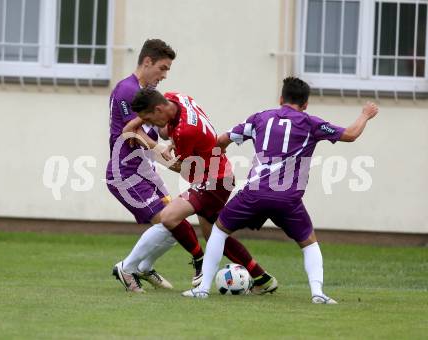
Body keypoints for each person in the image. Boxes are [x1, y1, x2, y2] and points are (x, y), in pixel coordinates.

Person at [181, 76, 379, 301]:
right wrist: (365, 114)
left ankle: (203, 288)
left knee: (219, 230)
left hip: (254, 194)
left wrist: (216, 152)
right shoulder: (311, 123)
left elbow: (221, 140)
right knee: (308, 242)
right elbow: (350, 134)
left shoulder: (259, 118)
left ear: (281, 98)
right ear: (305, 104)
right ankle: (318, 293)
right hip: (287, 199)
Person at [126, 89, 278, 294]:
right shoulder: (176, 97)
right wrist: (139, 127)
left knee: (169, 217)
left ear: (159, 108)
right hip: (217, 175)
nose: (148, 123)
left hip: (213, 180)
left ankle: (199, 261)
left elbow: (181, 167)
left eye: (148, 118)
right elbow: (173, 130)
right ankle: (262, 278)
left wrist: (151, 144)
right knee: (215, 235)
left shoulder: (184, 132)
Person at [107, 38, 201, 293]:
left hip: (145, 173)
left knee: (176, 222)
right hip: (126, 174)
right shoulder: (127, 90)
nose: (164, 75)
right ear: (147, 62)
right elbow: (130, 133)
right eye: (162, 68)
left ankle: (144, 267)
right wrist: (159, 149)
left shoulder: (149, 96)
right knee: (170, 223)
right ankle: (127, 269)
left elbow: (158, 129)